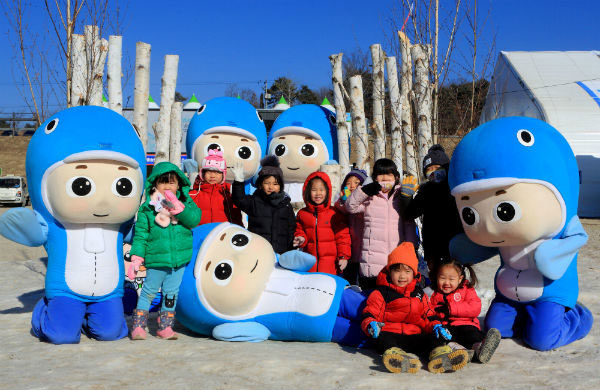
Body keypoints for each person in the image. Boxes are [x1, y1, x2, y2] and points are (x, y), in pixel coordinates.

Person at [361, 242, 469, 373]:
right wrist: (371, 324)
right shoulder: (381, 293)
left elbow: (429, 314)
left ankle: (440, 356)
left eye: (407, 271)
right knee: (383, 338)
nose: (402, 276)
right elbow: (370, 312)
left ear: (414, 273)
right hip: (391, 333)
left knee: (433, 337)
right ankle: (396, 358)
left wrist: (436, 325)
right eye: (397, 271)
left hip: (414, 335)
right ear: (389, 271)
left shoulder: (419, 293)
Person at [128, 162, 202, 340]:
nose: (168, 186)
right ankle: (138, 326)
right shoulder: (148, 209)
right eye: (163, 182)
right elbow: (141, 235)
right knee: (148, 292)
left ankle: (165, 327)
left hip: (178, 260)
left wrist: (180, 210)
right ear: (155, 185)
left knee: (171, 294)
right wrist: (137, 257)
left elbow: (195, 219)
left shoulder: (185, 202)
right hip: (156, 260)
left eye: (172, 182)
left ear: (178, 185)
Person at [346, 158, 418, 290]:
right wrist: (364, 191)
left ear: (396, 177)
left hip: (396, 264)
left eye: (389, 174)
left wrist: (411, 250)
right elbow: (350, 207)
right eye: (380, 174)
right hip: (371, 262)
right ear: (375, 178)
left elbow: (409, 223)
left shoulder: (401, 196)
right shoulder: (370, 197)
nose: (385, 178)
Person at [401, 144, 464, 271]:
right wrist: (406, 197)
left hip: (454, 244)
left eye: (438, 167)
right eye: (429, 169)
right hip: (432, 246)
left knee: (452, 277)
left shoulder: (456, 187)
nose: (434, 172)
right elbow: (410, 213)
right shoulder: (425, 191)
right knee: (435, 278)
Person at [429, 258, 501, 363]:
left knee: (470, 335)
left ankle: (479, 348)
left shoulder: (466, 289)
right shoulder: (436, 295)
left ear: (460, 278)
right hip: (448, 328)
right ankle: (460, 352)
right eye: (442, 278)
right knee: (439, 338)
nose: (446, 283)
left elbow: (475, 308)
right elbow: (431, 312)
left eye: (451, 279)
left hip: (466, 324)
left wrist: (451, 309)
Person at [231, 155, 295, 254]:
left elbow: (291, 228)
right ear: (260, 184)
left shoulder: (286, 204)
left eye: (275, 184)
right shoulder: (254, 201)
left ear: (280, 186)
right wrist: (239, 182)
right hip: (259, 251)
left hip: (281, 252)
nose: (271, 187)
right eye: (267, 183)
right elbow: (239, 199)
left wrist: (291, 250)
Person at [294, 171, 351, 275]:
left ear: (327, 191)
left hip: (330, 266)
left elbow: (342, 236)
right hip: (309, 265)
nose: (318, 193)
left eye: (321, 190)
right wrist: (301, 237)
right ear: (307, 191)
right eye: (314, 190)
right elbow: (299, 230)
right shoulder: (302, 214)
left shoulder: (334, 213)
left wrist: (343, 256)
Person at [189, 149, 242, 226]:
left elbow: (237, 215)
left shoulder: (229, 192)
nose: (213, 175)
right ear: (203, 173)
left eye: (217, 172)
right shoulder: (193, 194)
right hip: (201, 234)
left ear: (223, 174)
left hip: (224, 234)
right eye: (209, 171)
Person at [334, 168, 368, 284]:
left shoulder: (367, 202)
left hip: (365, 249)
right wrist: (345, 200)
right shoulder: (342, 203)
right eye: (348, 183)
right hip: (350, 249)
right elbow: (342, 210)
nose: (352, 186)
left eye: (357, 183)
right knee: (350, 280)